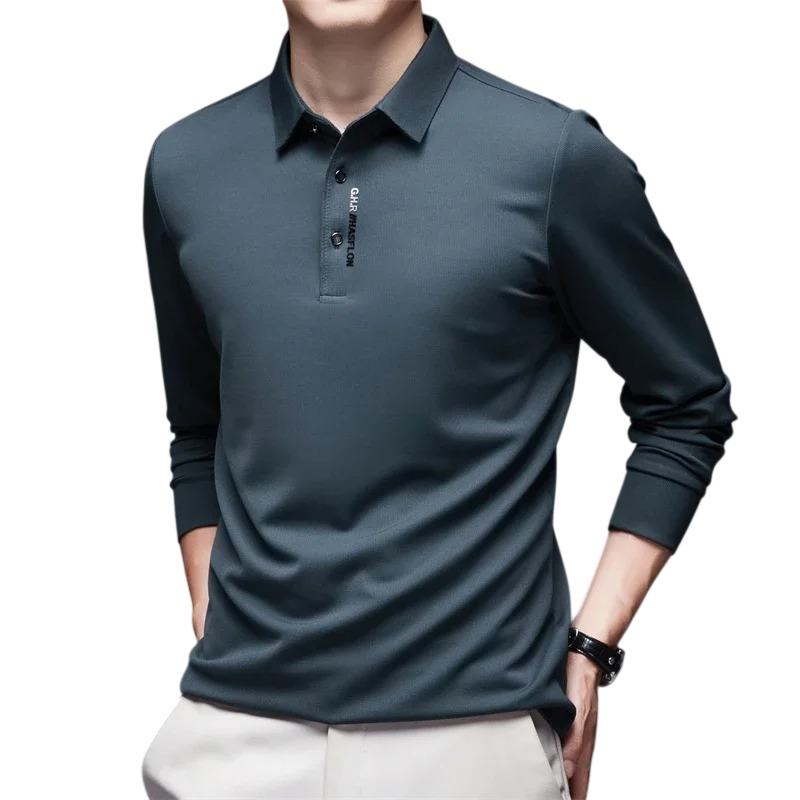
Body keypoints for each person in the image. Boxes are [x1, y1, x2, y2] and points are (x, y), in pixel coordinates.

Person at [139, 2, 737, 798]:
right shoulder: (185, 165)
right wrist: (211, 605)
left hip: (472, 737)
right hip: (231, 732)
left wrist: (592, 646)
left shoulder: (552, 159)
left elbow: (686, 402)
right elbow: (199, 426)